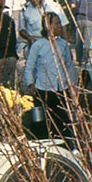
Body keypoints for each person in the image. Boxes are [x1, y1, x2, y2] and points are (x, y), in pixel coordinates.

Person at [24, 13, 75, 142]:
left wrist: (71, 86)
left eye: (59, 23)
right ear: (48, 26)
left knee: (62, 123)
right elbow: (30, 67)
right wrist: (31, 84)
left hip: (61, 89)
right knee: (43, 123)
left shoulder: (63, 45)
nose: (59, 26)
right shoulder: (38, 45)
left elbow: (69, 66)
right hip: (43, 89)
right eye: (56, 23)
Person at [18, 0, 71, 90]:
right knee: (34, 72)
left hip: (53, 44)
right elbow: (21, 29)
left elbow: (64, 26)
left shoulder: (54, 6)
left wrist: (66, 45)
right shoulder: (25, 9)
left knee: (54, 71)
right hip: (35, 44)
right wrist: (30, 38)